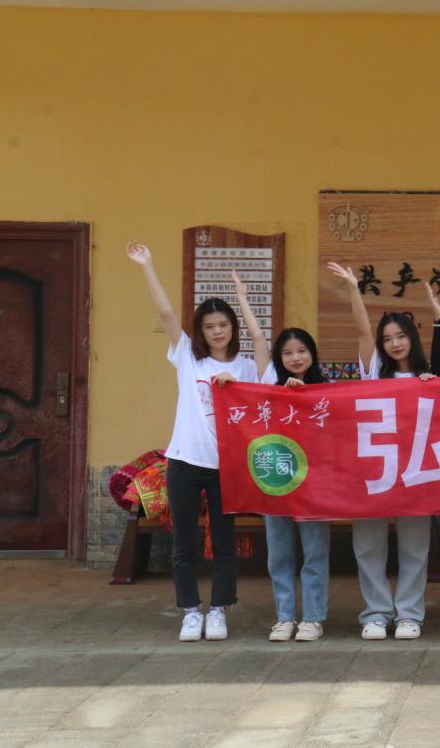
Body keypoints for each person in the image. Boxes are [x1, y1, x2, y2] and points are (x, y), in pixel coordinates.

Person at [126, 242, 264, 642]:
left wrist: (242, 298)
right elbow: (167, 314)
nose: (217, 331)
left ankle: (219, 610)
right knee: (183, 542)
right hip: (185, 461)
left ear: (232, 327)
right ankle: (190, 611)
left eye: (223, 324)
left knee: (223, 542)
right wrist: (147, 265)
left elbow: (260, 339)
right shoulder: (188, 357)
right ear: (201, 332)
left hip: (227, 467)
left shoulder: (246, 366)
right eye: (209, 326)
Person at [330, 261, 440, 640]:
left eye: (400, 336)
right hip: (374, 471)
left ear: (412, 338)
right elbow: (362, 329)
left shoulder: (428, 376)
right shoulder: (373, 373)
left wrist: (434, 387)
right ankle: (376, 613)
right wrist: (354, 288)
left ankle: (409, 614)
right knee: (368, 546)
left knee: (415, 548)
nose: (394, 343)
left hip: (416, 472)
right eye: (387, 339)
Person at [256, 326, 332, 642]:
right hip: (277, 483)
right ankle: (284, 617)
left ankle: (313, 618)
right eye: (287, 353)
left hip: (314, 487)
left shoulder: (328, 392)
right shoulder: (268, 393)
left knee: (315, 552)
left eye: (301, 351)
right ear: (278, 358)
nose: (295, 357)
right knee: (279, 554)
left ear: (312, 353)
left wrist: (305, 397)